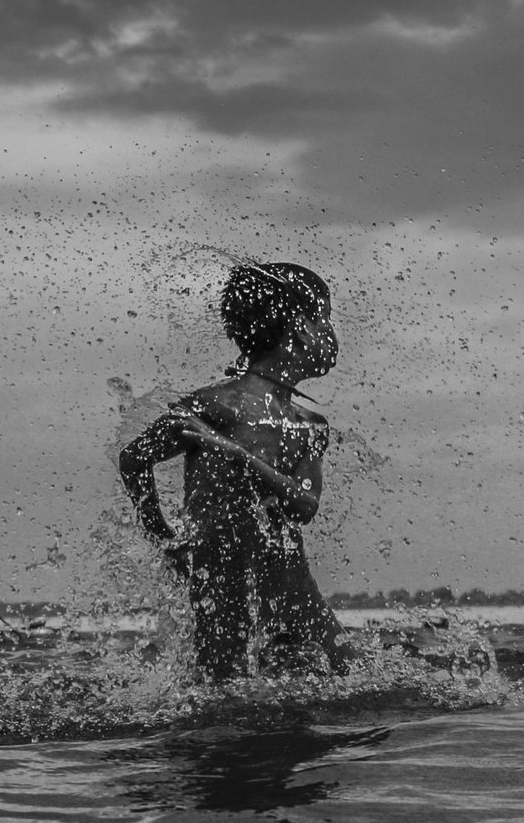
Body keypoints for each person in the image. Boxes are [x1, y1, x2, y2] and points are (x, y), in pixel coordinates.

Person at [119, 262, 353, 680]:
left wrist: (233, 452)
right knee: (224, 700)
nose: (331, 333)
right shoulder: (216, 405)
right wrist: (167, 543)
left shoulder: (310, 426)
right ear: (301, 328)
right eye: (325, 320)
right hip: (225, 600)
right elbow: (135, 458)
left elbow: (304, 505)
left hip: (296, 597)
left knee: (353, 676)